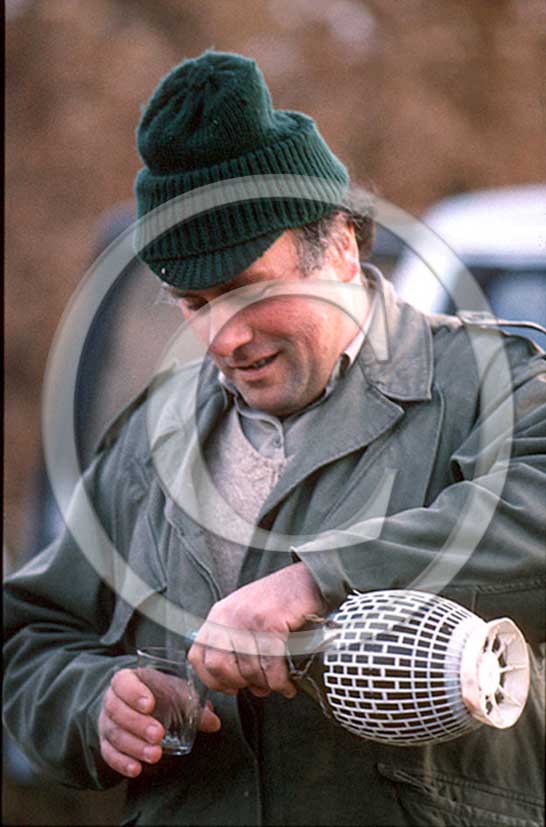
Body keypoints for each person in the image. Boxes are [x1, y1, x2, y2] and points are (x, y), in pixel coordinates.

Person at [4, 50, 545, 827]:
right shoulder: (150, 440)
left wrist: (321, 580)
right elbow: (31, 638)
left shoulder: (494, 381)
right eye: (194, 303)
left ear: (342, 249)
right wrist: (97, 706)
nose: (225, 336)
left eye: (252, 290)